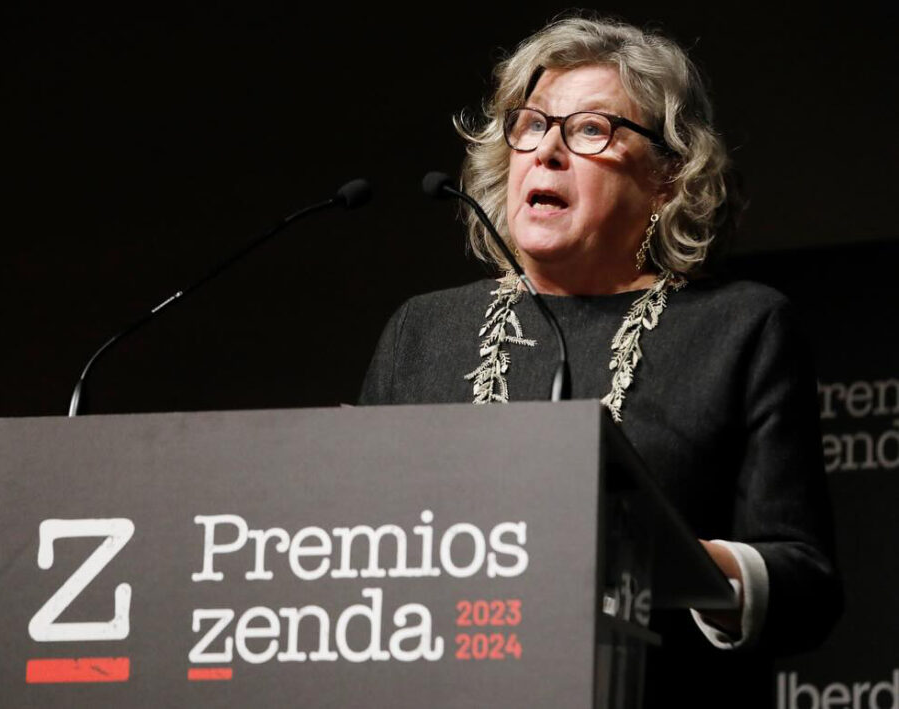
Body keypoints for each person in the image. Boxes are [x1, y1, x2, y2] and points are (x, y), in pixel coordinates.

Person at [359, 15, 842, 706]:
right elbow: (360, 551)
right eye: (531, 124)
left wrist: (680, 562)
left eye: (590, 129)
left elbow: (808, 585)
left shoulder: (740, 327)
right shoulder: (423, 331)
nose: (547, 150)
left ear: (668, 176)